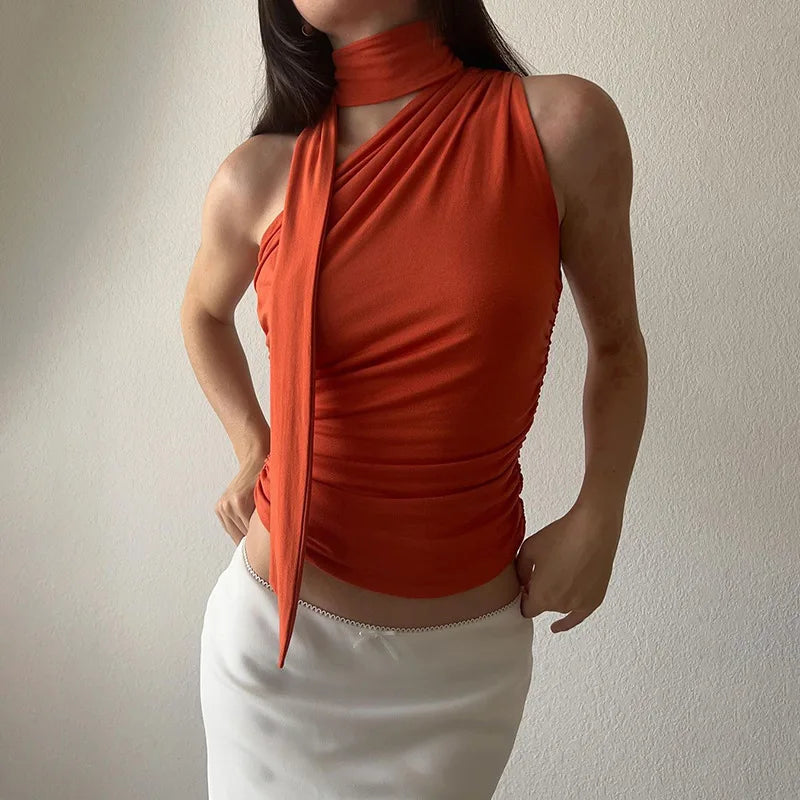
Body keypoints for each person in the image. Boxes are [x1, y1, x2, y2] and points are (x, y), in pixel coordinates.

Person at [180, 1, 647, 798]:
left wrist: (601, 512)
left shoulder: (562, 127)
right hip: (275, 658)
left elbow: (617, 348)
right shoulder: (257, 176)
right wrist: (254, 442)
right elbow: (201, 314)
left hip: (460, 673)